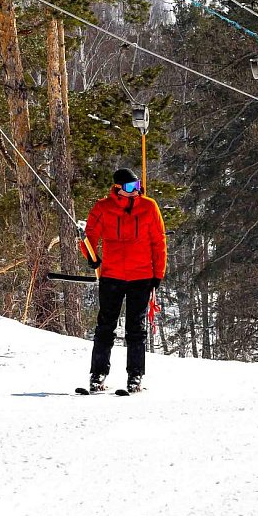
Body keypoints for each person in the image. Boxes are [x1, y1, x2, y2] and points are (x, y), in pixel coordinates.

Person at [82, 168, 167, 393]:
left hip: (141, 277)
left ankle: (135, 376)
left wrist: (158, 274)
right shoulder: (103, 208)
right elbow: (88, 236)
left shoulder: (149, 207)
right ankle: (98, 374)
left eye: (138, 186)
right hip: (111, 276)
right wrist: (91, 256)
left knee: (136, 329)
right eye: (131, 188)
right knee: (105, 327)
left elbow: (158, 242)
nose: (136, 192)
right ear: (118, 189)